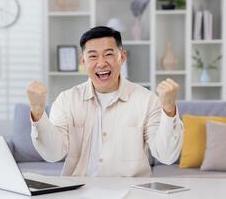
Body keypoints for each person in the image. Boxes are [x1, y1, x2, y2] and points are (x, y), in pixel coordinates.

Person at [26, 26, 183, 177]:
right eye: (93, 56)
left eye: (108, 54)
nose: (101, 63)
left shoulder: (147, 100)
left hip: (132, 191)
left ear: (122, 57)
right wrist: (38, 113)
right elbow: (53, 154)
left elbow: (167, 156)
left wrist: (169, 110)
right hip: (79, 191)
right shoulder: (66, 100)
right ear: (83, 61)